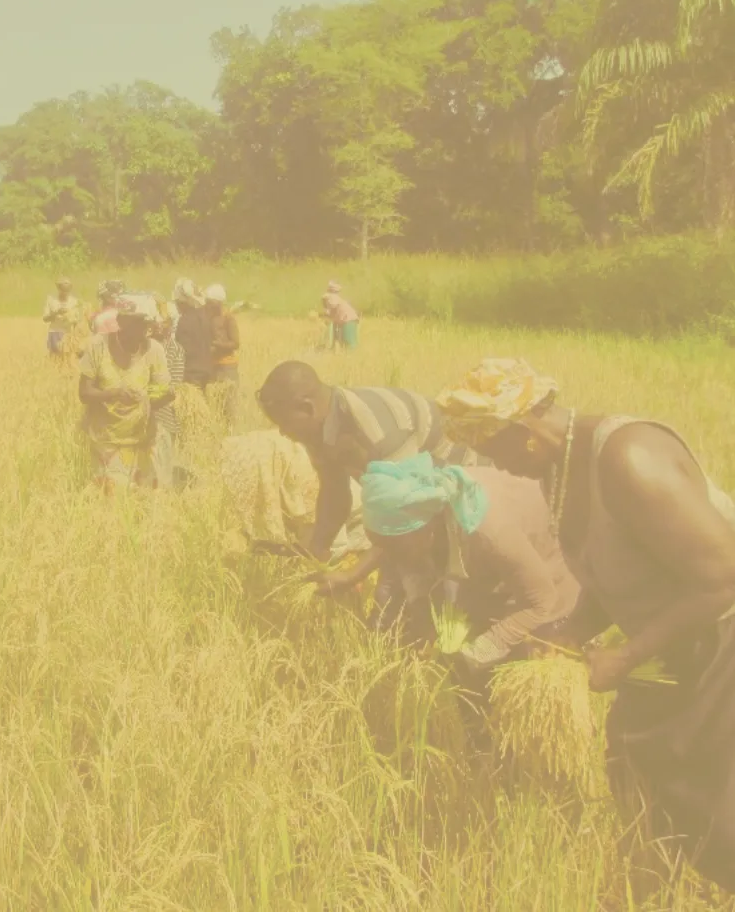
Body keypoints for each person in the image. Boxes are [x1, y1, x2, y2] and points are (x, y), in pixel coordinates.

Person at [435, 357, 735, 891]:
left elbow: (723, 579)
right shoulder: (558, 468)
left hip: (719, 646)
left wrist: (626, 655)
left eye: (495, 452)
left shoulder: (629, 459)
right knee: (635, 771)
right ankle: (648, 894)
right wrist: (575, 628)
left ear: (525, 433)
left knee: (715, 809)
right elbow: (616, 566)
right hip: (671, 645)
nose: (498, 467)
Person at [315, 452, 579, 672]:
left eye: (394, 547)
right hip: (497, 568)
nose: (389, 557)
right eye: (382, 544)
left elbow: (540, 600)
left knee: (523, 667)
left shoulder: (488, 533)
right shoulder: (416, 524)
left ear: (426, 531)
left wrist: (480, 651)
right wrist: (424, 621)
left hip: (550, 576)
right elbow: (400, 554)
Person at [255, 361, 487, 563]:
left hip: (469, 491)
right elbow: (334, 492)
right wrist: (317, 550)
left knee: (435, 576)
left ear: (308, 408)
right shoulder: (319, 432)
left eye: (284, 423)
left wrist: (354, 574)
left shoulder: (377, 425)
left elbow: (407, 515)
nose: (283, 432)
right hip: (418, 502)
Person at [220, 428, 370, 562]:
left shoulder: (349, 495)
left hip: (288, 456)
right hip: (308, 482)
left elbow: (324, 550)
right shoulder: (352, 525)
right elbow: (321, 551)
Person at [78, 293, 175, 492]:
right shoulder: (98, 346)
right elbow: (84, 392)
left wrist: (148, 395)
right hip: (106, 441)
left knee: (145, 495)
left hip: (142, 440)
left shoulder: (154, 350)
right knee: (114, 493)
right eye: (138, 323)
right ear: (121, 322)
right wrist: (113, 394)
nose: (144, 329)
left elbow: (161, 389)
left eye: (145, 323)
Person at [149, 297, 187, 489]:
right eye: (156, 321)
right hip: (138, 417)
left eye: (163, 322)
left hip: (164, 416)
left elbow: (173, 387)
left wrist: (147, 394)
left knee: (162, 472)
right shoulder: (142, 347)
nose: (158, 325)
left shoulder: (175, 350)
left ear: (171, 324)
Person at [205, 283, 240, 426]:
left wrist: (217, 344)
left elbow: (236, 343)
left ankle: (231, 430)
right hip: (213, 366)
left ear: (218, 303)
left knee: (229, 404)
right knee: (216, 403)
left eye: (211, 303)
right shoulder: (208, 317)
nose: (208, 305)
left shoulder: (228, 318)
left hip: (227, 366)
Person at [173, 278, 214, 390]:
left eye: (177, 303)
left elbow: (183, 350)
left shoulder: (184, 320)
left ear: (182, 303)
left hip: (192, 374)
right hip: (208, 371)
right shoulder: (204, 317)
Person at [42, 277, 82, 360]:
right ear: (59, 288)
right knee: (55, 358)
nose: (65, 292)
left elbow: (77, 320)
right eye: (63, 290)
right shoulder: (51, 300)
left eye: (67, 290)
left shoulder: (74, 302)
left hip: (69, 333)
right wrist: (57, 312)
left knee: (69, 358)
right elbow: (45, 318)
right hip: (55, 332)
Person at [323, 281, 360, 352]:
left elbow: (333, 307)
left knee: (348, 339)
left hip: (348, 319)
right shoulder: (334, 299)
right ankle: (345, 352)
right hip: (344, 319)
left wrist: (326, 311)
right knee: (342, 339)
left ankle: (351, 353)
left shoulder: (332, 298)